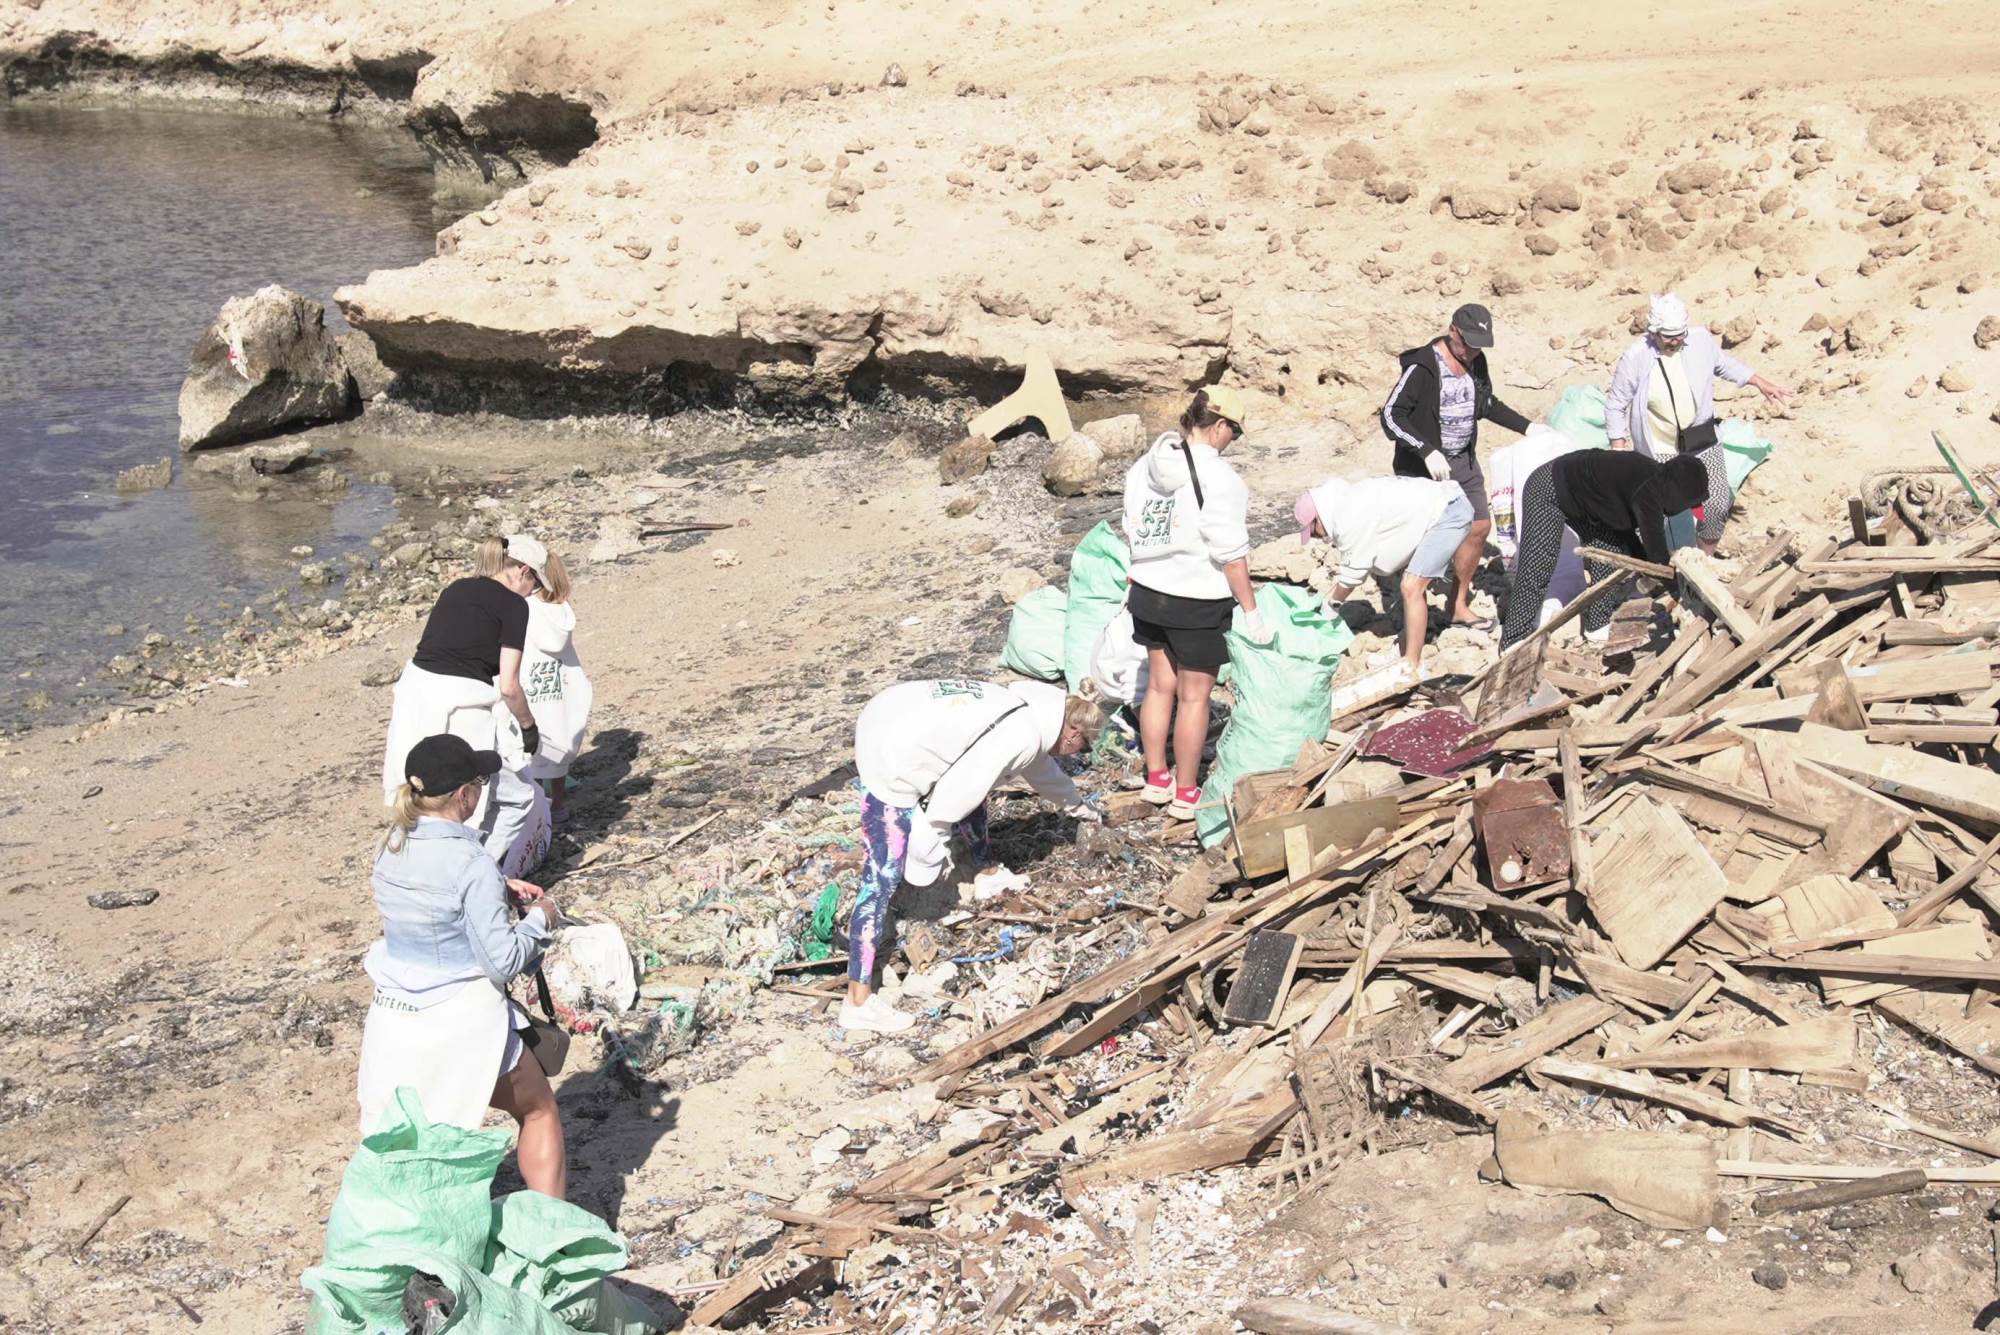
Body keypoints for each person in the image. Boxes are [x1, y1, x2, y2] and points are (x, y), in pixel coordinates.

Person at [356, 734, 567, 1198]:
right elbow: (503, 962)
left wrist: (495, 889)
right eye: (478, 785)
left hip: (395, 1017)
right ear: (464, 795)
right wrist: (541, 918)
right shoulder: (471, 861)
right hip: (460, 1021)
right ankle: (551, 1226)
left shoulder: (391, 844)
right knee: (538, 1110)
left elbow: (431, 903)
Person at [846, 679, 1105, 1033]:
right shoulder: (1024, 736)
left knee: (978, 789)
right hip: (891, 749)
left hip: (888, 710)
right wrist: (931, 844)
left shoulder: (1030, 714)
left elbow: (1043, 774)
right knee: (882, 877)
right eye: (1083, 748)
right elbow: (957, 793)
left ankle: (985, 871)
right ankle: (857, 1002)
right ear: (1073, 733)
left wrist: (1084, 810)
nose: (1076, 755)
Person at [1123, 385, 1267, 821]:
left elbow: (1131, 523)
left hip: (1147, 590)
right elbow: (1231, 554)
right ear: (1219, 425)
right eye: (1234, 432)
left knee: (1158, 686)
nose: (1232, 441)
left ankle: (1156, 778)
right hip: (1197, 597)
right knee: (1194, 697)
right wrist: (1251, 610)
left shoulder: (1145, 466)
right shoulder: (1221, 478)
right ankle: (1186, 792)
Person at [380, 534, 547, 871]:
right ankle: (476, 872)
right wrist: (529, 726)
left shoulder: (456, 588)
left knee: (416, 789)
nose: (533, 593)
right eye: (536, 585)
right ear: (523, 571)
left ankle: (406, 868)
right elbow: (509, 685)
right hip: (462, 704)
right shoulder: (514, 605)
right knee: (513, 797)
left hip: (415, 693)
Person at [1380, 303, 1531, 631]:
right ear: (1453, 332)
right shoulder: (1423, 366)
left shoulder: (1476, 361)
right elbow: (1391, 415)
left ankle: (1457, 605)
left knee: (1478, 526)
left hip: (1462, 460)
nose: (1472, 352)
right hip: (1423, 467)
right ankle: (1411, 609)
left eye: (1479, 346)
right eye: (1468, 344)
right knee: (1420, 538)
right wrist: (1426, 450)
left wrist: (1529, 427)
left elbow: (1486, 404)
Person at [1605, 293, 1792, 554]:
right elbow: (1616, 404)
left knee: (1717, 504)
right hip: (1660, 448)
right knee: (1661, 513)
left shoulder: (1699, 340)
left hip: (1701, 440)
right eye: (1668, 336)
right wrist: (1617, 452)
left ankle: (1704, 559)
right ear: (1654, 332)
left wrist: (1761, 383)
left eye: (1679, 335)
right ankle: (1658, 563)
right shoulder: (1636, 357)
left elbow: (1725, 365)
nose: (1675, 341)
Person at [1499, 449, 1710, 651]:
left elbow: (1629, 540)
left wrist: (1650, 570)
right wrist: (1679, 593)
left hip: (1590, 506)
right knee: (1538, 565)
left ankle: (1597, 625)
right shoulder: (1648, 492)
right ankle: (1513, 640)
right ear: (1679, 494)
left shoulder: (1654, 484)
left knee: (1609, 551)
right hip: (1549, 487)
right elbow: (1657, 556)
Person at [1294, 474, 1474, 680]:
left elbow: (1354, 574)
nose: (1317, 537)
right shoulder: (1345, 502)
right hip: (1440, 506)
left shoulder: (1347, 517)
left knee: (1411, 587)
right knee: (1412, 580)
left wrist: (1331, 604)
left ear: (1319, 518)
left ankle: (1412, 666)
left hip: (1450, 512)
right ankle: (1405, 650)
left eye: (1313, 531)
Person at [520, 546, 592, 827]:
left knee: (531, 749)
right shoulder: (560, 609)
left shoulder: (524, 608)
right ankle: (558, 804)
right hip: (560, 684)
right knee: (558, 743)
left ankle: (536, 807)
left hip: (532, 683)